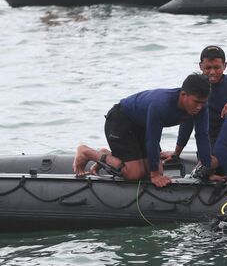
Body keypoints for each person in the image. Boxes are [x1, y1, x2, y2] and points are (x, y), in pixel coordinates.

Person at [72, 74, 216, 188]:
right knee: (134, 173)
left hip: (141, 125)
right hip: (121, 119)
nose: (199, 107)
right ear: (184, 95)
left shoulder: (201, 108)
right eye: (196, 102)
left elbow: (202, 136)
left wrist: (207, 171)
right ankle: (86, 152)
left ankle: (106, 154)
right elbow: (152, 140)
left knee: (158, 170)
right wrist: (154, 176)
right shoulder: (161, 104)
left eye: (203, 102)